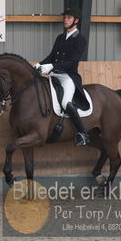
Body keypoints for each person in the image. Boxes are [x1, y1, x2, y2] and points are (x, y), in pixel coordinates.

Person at [33, 8, 89, 146]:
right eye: (65, 18)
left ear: (76, 21)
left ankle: (83, 133)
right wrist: (39, 64)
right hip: (53, 74)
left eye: (69, 18)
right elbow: (51, 56)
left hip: (68, 76)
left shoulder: (80, 40)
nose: (65, 20)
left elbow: (72, 62)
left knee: (65, 103)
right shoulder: (60, 37)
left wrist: (52, 66)